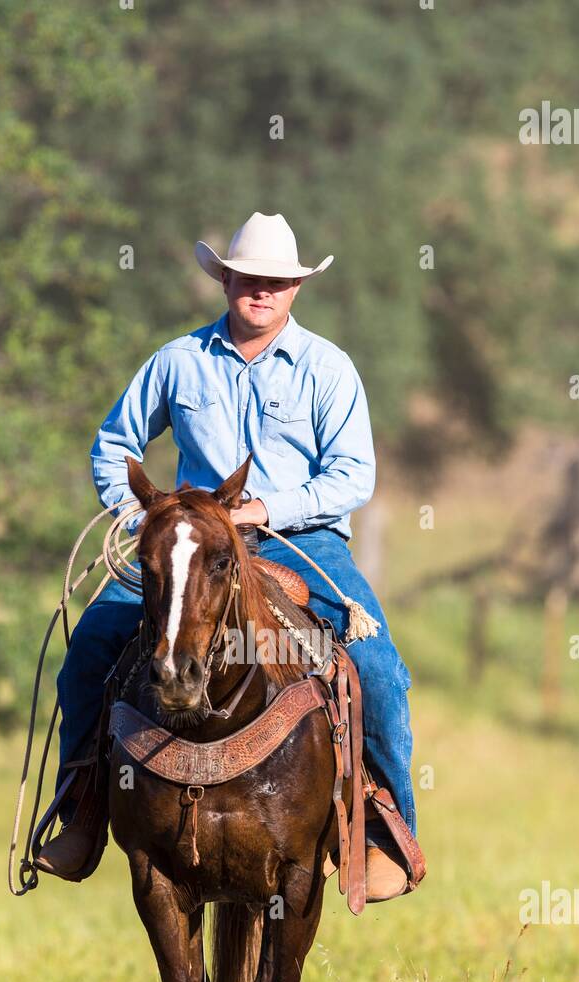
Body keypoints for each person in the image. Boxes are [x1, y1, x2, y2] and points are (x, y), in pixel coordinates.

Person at [37, 211, 417, 901]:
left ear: (295, 289)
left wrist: (268, 510)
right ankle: (81, 812)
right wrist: (146, 521)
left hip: (301, 542)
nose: (262, 292)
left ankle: (384, 833)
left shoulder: (328, 369)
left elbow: (352, 476)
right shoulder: (177, 360)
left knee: (381, 673)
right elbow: (113, 444)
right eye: (250, 279)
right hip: (189, 544)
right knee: (88, 651)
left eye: (276, 282)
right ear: (227, 281)